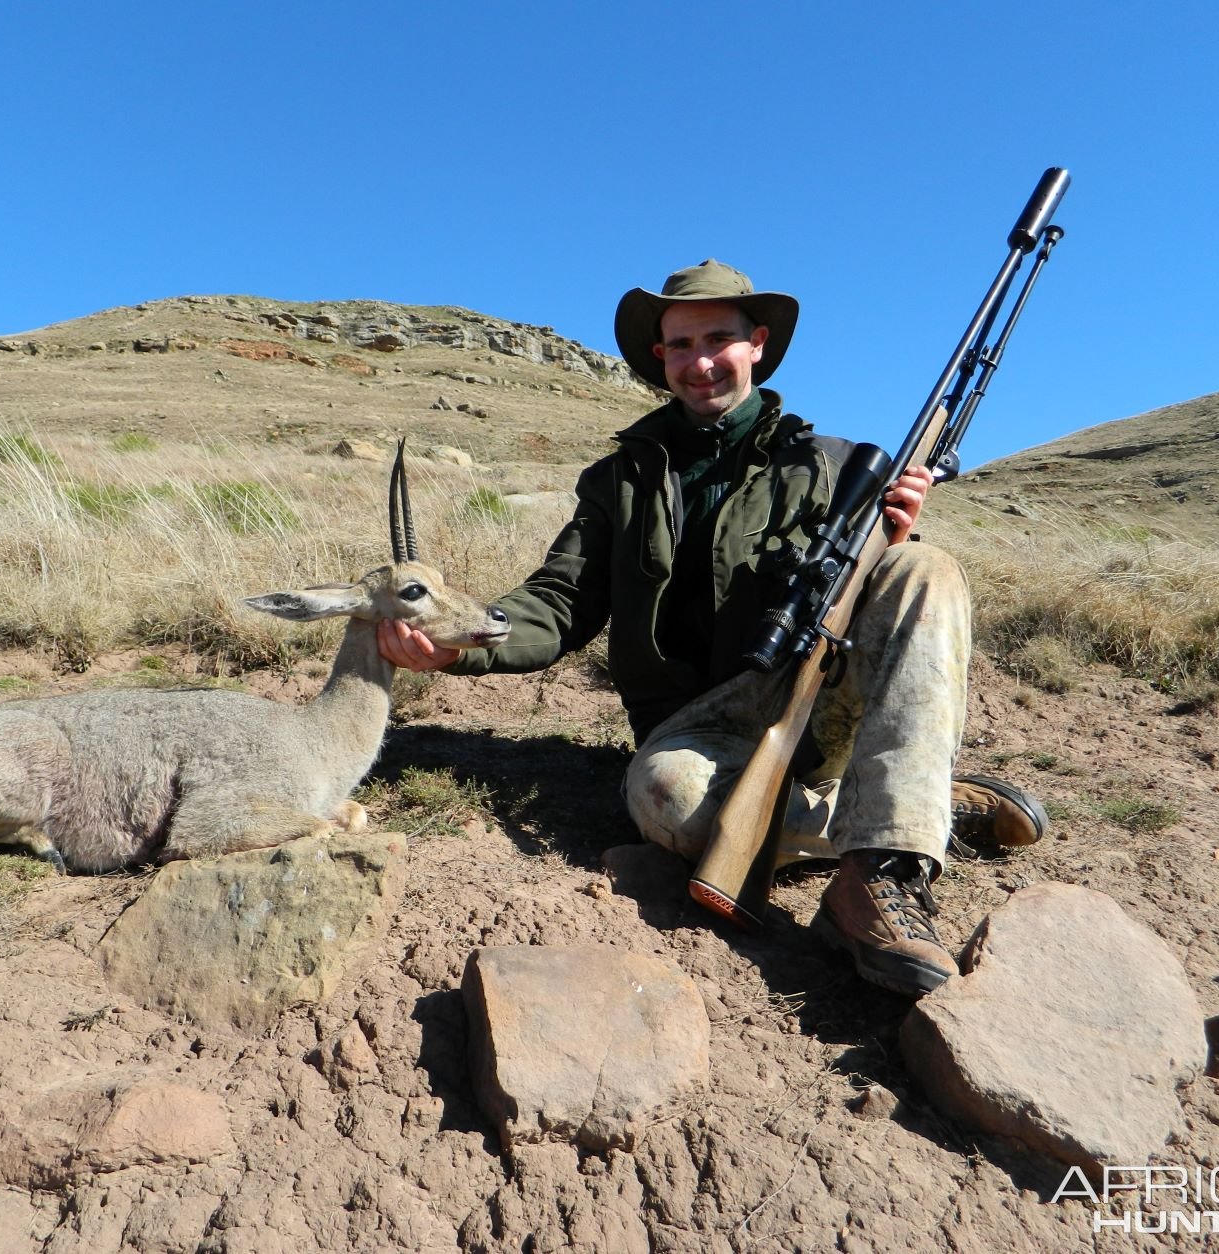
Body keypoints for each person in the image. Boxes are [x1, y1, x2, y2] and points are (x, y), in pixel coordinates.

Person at [379, 260, 1047, 998]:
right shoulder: (618, 480)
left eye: (719, 339)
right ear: (659, 356)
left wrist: (894, 543)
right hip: (693, 731)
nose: (700, 362)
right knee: (665, 799)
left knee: (927, 570)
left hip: (817, 702)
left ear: (756, 342)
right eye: (680, 344)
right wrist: (454, 638)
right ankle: (927, 808)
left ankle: (879, 874)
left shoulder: (835, 468)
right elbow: (560, 600)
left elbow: (877, 612)